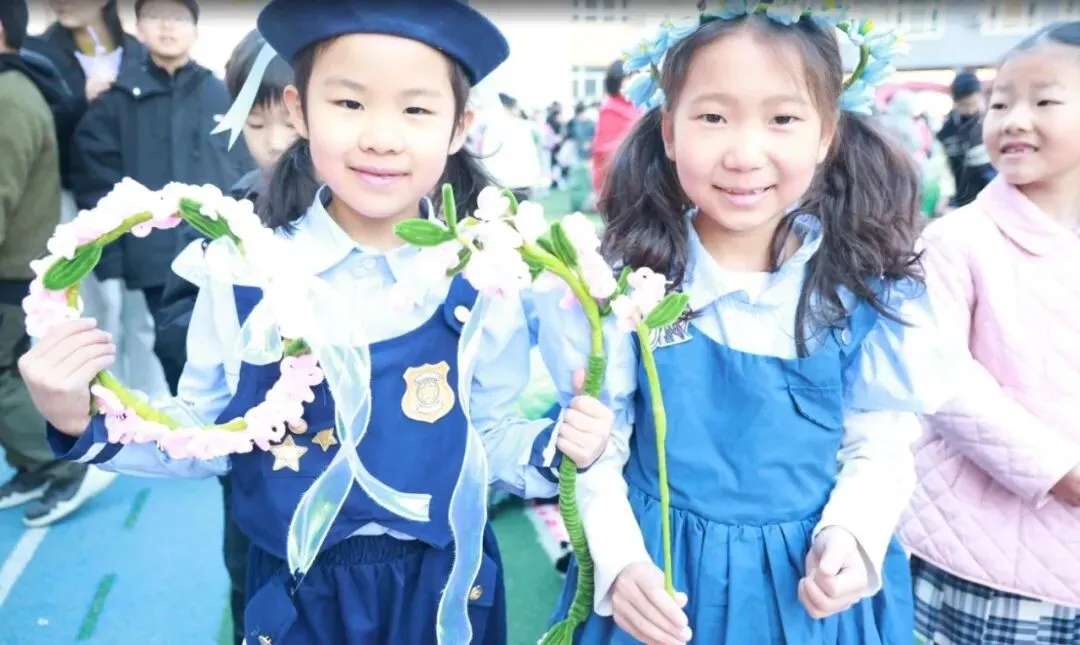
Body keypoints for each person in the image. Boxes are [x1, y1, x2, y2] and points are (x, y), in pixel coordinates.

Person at [17, 1, 613, 643]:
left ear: (458, 126)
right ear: (299, 111)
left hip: (445, 589)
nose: (381, 136)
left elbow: (486, 440)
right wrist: (77, 418)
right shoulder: (241, 270)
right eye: (349, 103)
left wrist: (558, 447)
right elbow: (207, 431)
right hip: (298, 593)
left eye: (416, 109)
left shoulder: (485, 275)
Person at [533, 7, 951, 644]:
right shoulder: (620, 286)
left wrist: (852, 533)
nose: (744, 154)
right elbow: (597, 444)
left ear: (826, 135)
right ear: (669, 131)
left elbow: (880, 442)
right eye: (713, 117)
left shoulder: (859, 287)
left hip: (805, 597)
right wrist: (620, 562)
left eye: (782, 119)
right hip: (660, 582)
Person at [899, 21, 1080, 644]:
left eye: (1044, 101)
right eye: (1001, 104)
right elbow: (941, 375)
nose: (1014, 119)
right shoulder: (958, 240)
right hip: (989, 558)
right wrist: (1058, 469)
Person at [152, 28, 306, 645]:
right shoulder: (228, 218)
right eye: (255, 124)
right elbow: (177, 320)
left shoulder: (374, 213)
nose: (274, 142)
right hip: (252, 452)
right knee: (252, 573)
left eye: (289, 122)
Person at [68, 0, 254, 396]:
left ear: (196, 30)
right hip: (151, 256)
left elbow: (245, 166)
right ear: (138, 29)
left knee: (229, 343)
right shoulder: (116, 100)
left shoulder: (221, 95)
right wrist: (111, 257)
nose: (167, 27)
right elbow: (95, 179)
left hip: (218, 248)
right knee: (169, 344)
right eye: (155, 17)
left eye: (179, 18)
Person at [0, 0, 116, 527]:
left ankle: (67, 466)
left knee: (6, 376)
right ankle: (36, 465)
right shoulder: (16, 87)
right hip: (14, 262)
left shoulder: (8, 96)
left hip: (8, 266)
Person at [938, 71, 995, 208]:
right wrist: (945, 196)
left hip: (991, 196)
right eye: (964, 105)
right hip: (961, 198)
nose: (969, 110)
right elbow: (944, 169)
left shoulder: (990, 123)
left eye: (973, 104)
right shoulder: (947, 131)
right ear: (955, 102)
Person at [592, 60, 640, 196]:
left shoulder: (637, 105)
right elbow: (605, 149)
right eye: (627, 78)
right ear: (616, 82)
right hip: (621, 177)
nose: (632, 82)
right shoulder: (610, 109)